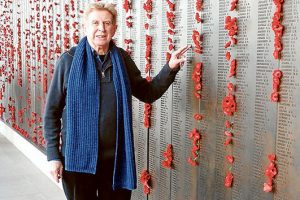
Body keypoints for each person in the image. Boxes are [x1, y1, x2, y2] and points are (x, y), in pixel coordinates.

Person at [43, 2, 190, 200]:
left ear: (114, 28)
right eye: (95, 23)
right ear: (86, 26)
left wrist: (170, 68)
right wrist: (53, 156)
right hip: (77, 160)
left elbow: (148, 93)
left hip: (115, 161)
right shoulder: (68, 61)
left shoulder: (122, 59)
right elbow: (52, 112)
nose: (101, 29)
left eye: (107, 23)